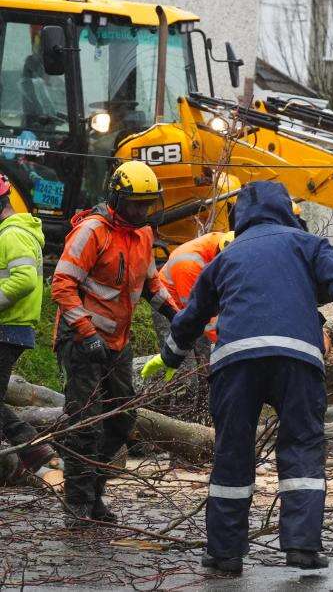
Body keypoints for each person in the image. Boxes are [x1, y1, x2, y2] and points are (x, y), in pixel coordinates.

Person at [142, 181, 333, 575]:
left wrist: (169, 356)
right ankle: (301, 547)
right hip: (297, 360)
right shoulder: (308, 245)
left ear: (238, 218)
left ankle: (225, 553)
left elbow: (193, 313)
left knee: (232, 451)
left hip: (236, 362)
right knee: (301, 447)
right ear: (287, 210)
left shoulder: (227, 256)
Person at [51, 160, 179, 526]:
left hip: (118, 341)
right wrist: (86, 332)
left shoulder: (143, 234)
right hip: (81, 339)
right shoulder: (93, 232)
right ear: (117, 198)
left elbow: (151, 283)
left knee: (122, 419)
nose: (141, 211)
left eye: (147, 204)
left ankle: (95, 493)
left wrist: (176, 314)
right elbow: (61, 284)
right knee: (85, 422)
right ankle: (77, 503)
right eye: (135, 204)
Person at [0, 174, 53, 472]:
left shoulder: (12, 235)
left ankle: (32, 449)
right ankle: (32, 452)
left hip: (8, 327)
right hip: (10, 326)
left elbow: (22, 281)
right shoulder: (11, 232)